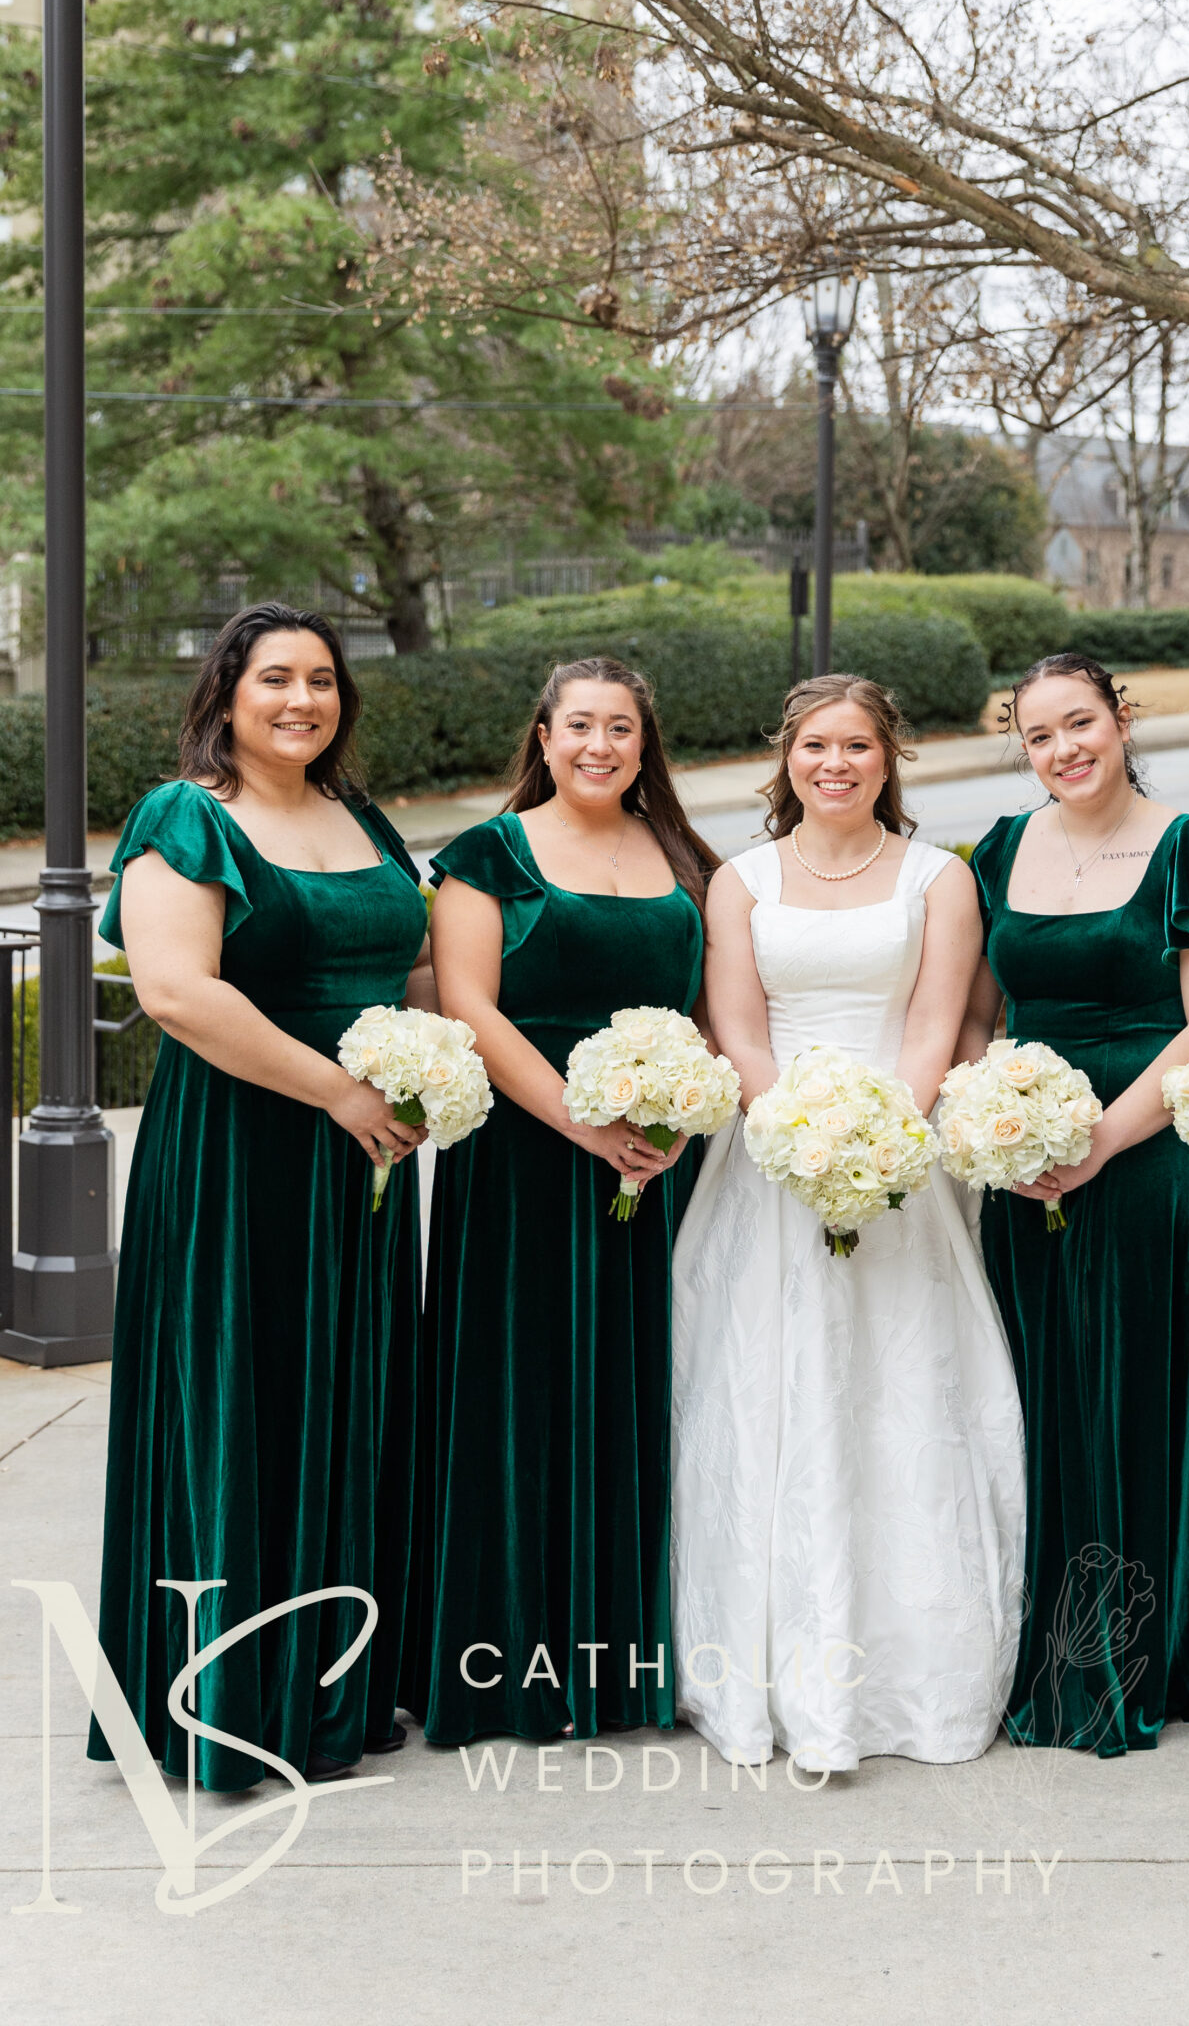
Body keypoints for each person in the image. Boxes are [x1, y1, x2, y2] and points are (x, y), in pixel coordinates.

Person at [92, 604, 431, 1788]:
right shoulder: (184, 818)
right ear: (226, 694)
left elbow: (418, 964)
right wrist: (338, 1091)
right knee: (242, 1398)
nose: (302, 700)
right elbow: (179, 991)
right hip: (240, 1146)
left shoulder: (361, 817)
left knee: (348, 1397)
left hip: (362, 1157)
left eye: (323, 681)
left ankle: (327, 1687)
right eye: (275, 678)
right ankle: (227, 1700)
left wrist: (440, 1068)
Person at [671, 673, 1025, 1771]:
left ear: (889, 758)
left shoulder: (937, 880)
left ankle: (908, 1682)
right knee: (764, 1399)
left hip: (897, 1158)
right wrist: (791, 1136)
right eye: (816, 745)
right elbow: (735, 1022)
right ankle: (762, 1672)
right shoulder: (738, 881)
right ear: (786, 757)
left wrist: (875, 1144)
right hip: (765, 1160)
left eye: (858, 746)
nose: (836, 764)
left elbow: (933, 1027)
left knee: (899, 1397)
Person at [404, 656, 719, 1744]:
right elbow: (471, 1009)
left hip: (658, 1164)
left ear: (645, 743)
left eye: (620, 727)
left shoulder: (681, 855)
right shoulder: (489, 854)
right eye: (578, 725)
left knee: (642, 1390)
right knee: (520, 1391)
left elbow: (712, 1008)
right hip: (526, 1166)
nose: (599, 745)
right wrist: (584, 1126)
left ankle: (624, 1657)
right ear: (540, 737)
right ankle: (505, 1661)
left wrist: (679, 1116)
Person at [960, 652, 1189, 1755]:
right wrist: (995, 1118)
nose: (1062, 750)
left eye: (1078, 723)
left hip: (1148, 1156)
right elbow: (980, 1013)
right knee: (1039, 1399)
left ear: (1122, 719)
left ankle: (1142, 1655)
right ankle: (1045, 1645)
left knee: (1141, 1396)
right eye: (1038, 736)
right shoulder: (998, 848)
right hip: (1024, 1162)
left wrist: (1095, 1141)